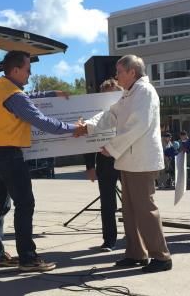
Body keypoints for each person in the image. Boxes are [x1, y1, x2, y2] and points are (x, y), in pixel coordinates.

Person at [0, 50, 84, 272]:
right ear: (16, 70)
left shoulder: (0, 87)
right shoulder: (14, 95)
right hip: (9, 155)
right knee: (25, 203)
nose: (30, 74)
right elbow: (41, 120)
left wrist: (51, 93)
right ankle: (28, 258)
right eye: (28, 69)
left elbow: (26, 98)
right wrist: (74, 129)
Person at [82, 54, 172, 273]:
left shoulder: (145, 92)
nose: (116, 76)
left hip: (141, 161)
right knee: (130, 211)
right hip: (130, 161)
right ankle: (135, 253)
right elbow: (110, 115)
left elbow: (137, 126)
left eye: (119, 72)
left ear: (132, 72)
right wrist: (87, 125)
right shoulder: (129, 94)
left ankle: (161, 257)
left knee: (145, 209)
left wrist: (111, 148)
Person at [83, 78, 122, 252]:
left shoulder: (127, 109)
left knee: (131, 203)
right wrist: (89, 166)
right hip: (105, 165)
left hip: (126, 161)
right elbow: (89, 139)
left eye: (113, 95)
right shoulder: (96, 113)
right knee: (107, 205)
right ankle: (109, 240)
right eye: (106, 96)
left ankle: (134, 238)